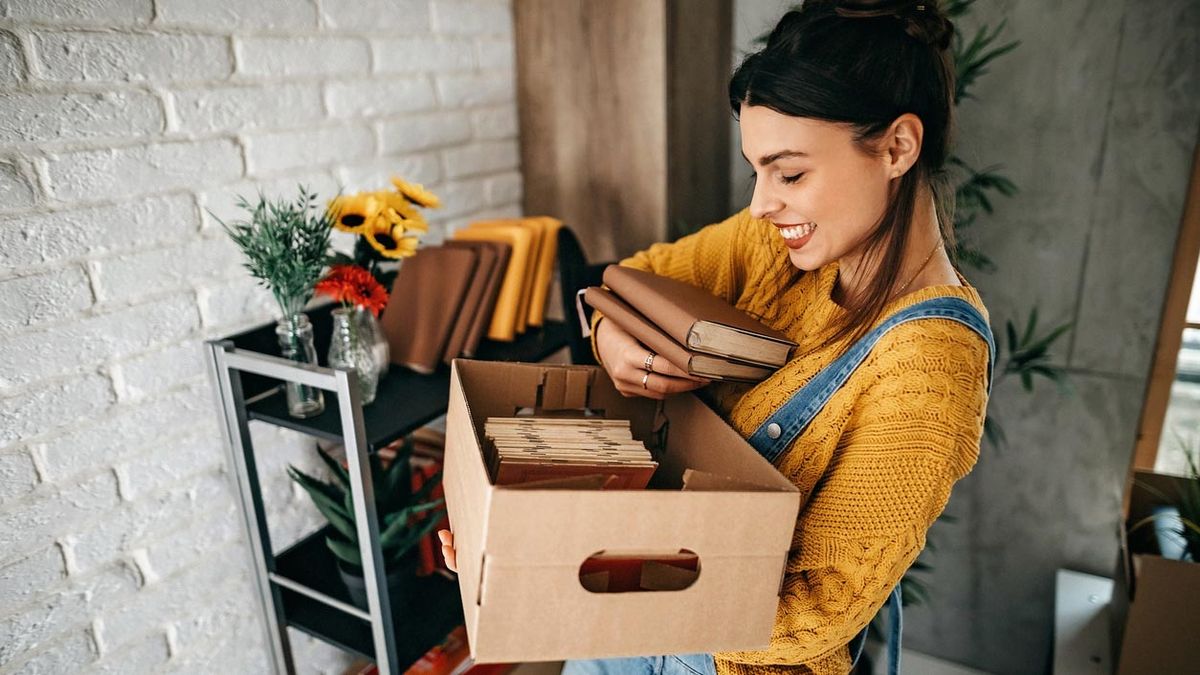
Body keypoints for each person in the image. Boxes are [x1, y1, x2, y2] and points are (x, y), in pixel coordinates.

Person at [438, 1, 994, 673]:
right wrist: (610, 337)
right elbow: (638, 276)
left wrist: (554, 570)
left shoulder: (931, 363)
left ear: (898, 147)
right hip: (618, 627)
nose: (761, 204)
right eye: (758, 171)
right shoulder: (778, 248)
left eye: (790, 173)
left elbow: (817, 607)